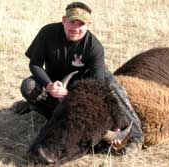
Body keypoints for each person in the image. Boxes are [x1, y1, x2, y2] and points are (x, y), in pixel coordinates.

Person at [15, 2, 143, 153]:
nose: (75, 28)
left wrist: (112, 124)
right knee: (28, 87)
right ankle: (52, 115)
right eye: (71, 22)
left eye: (81, 24)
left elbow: (98, 89)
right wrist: (49, 86)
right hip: (55, 83)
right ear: (64, 20)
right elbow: (35, 64)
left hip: (85, 87)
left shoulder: (94, 46)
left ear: (88, 24)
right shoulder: (47, 33)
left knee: (113, 88)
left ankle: (135, 137)